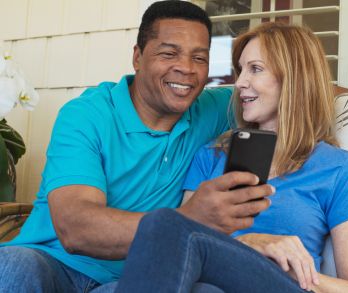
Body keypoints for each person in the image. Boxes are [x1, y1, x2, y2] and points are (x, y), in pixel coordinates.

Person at [0, 1, 274, 292]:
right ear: (138, 57)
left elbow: (290, 90)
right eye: (169, 53)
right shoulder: (86, 115)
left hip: (128, 280)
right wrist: (189, 218)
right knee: (14, 264)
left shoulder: (212, 108)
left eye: (199, 58)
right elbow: (76, 229)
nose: (186, 68)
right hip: (52, 266)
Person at [115, 22, 348, 293]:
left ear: (294, 78)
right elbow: (180, 249)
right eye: (241, 70)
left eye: (255, 69)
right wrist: (251, 242)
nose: (240, 83)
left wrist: (294, 273)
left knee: (164, 224)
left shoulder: (336, 168)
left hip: (283, 285)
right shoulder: (211, 155)